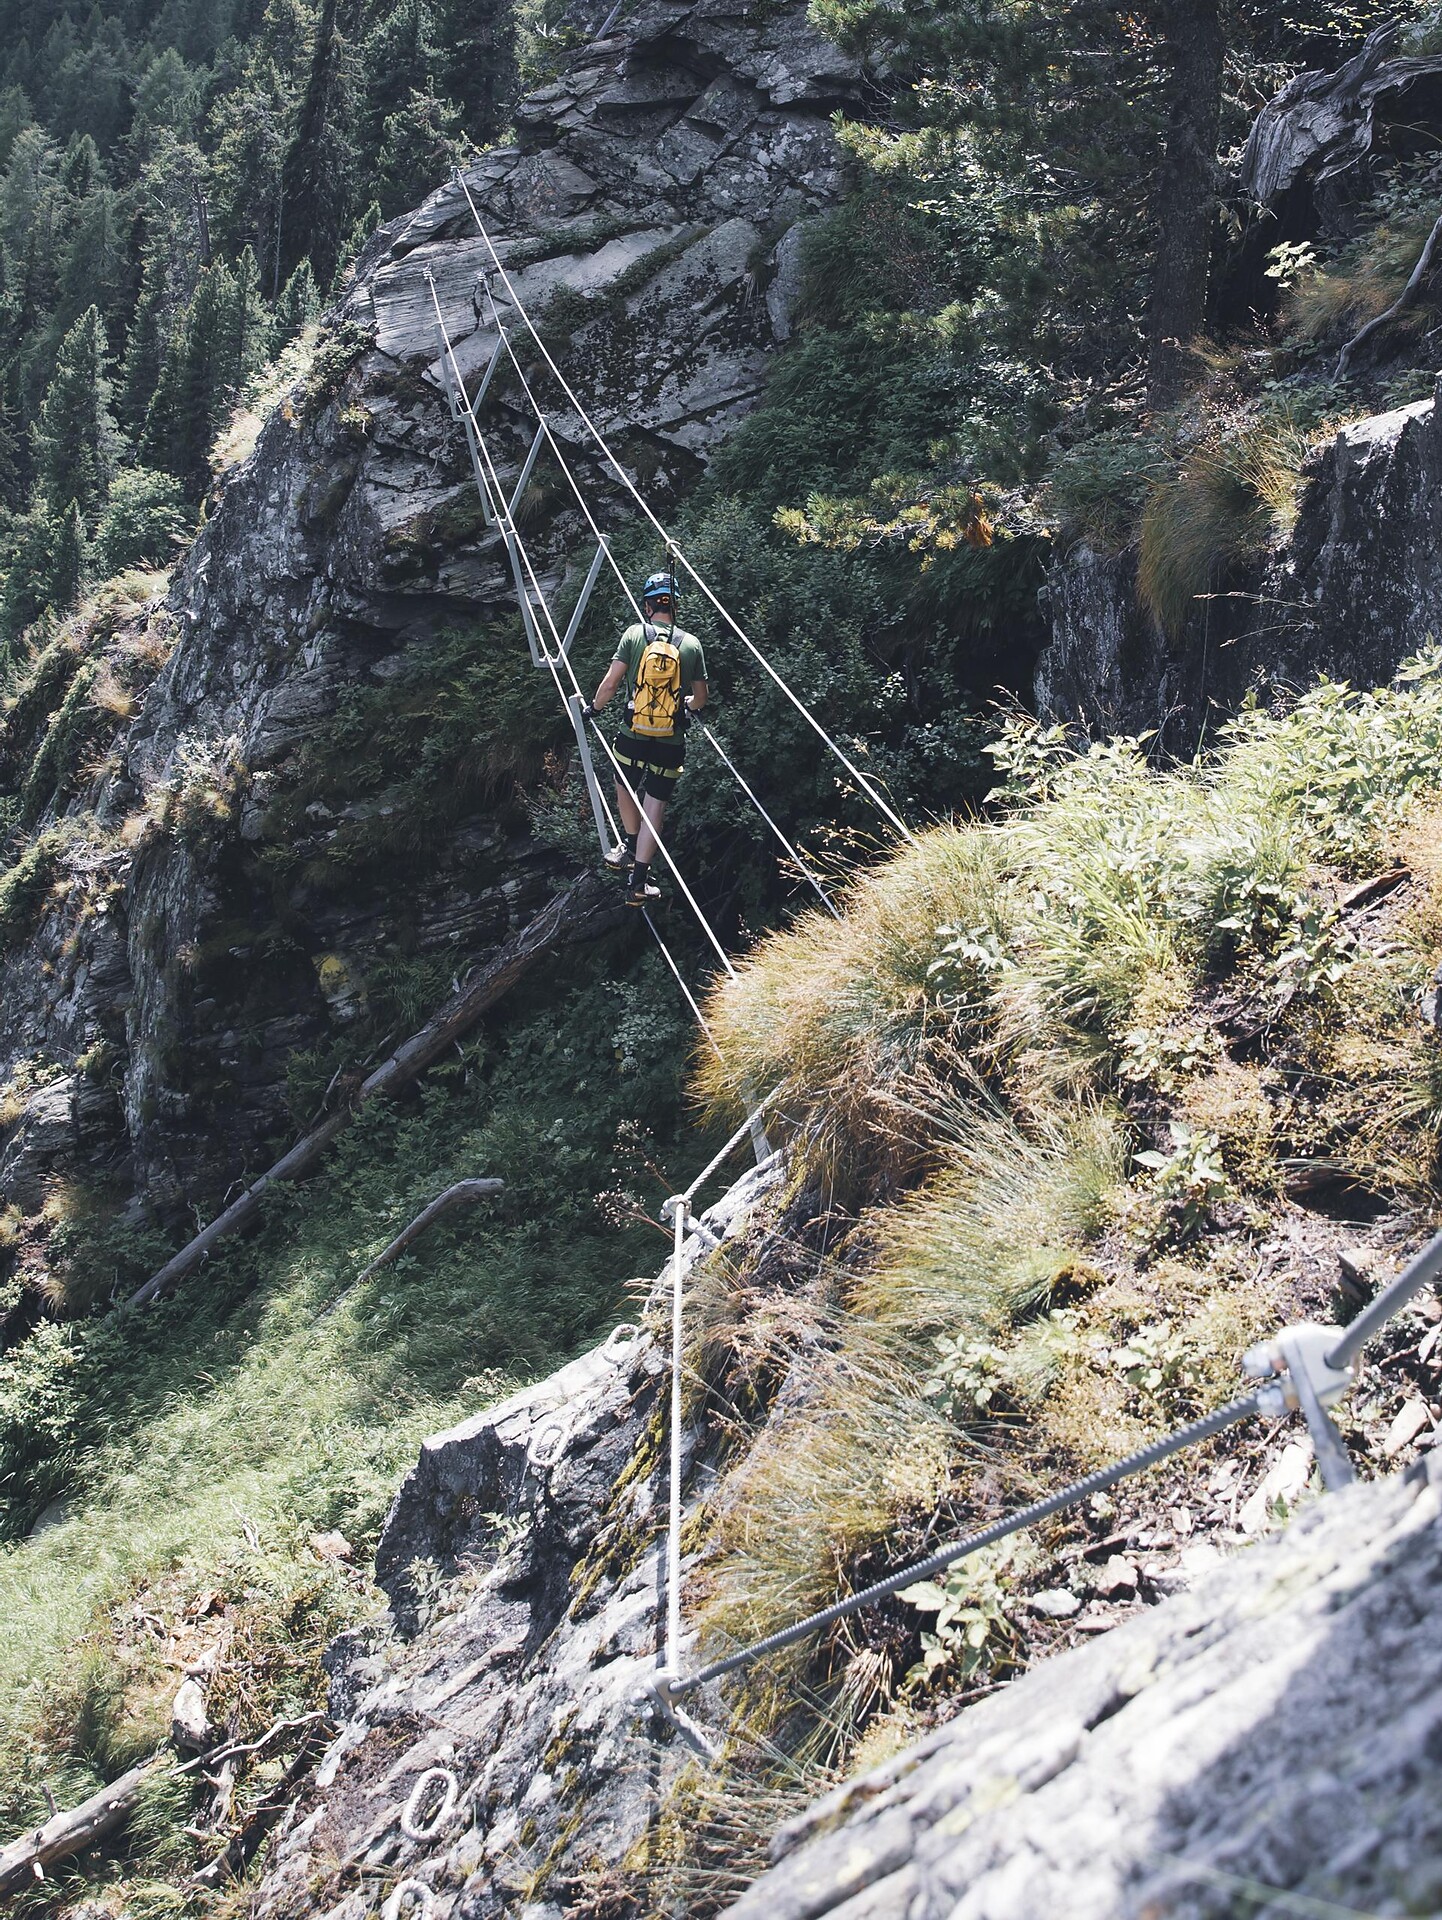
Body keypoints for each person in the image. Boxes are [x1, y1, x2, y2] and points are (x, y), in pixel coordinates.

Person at [585, 570, 708, 906]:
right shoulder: (691, 644)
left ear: (647, 604)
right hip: (671, 739)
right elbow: (700, 698)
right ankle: (639, 881)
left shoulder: (634, 634)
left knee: (624, 782)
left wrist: (593, 710)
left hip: (634, 732)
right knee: (655, 803)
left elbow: (610, 684)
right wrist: (685, 704)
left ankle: (626, 844)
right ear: (675, 604)